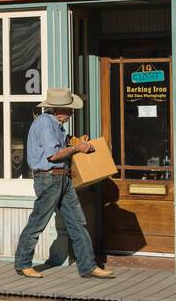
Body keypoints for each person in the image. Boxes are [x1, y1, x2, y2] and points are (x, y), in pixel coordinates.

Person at [15, 87, 114, 279]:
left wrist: (74, 142)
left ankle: (88, 266)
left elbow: (59, 148)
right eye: (69, 110)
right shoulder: (45, 124)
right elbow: (53, 155)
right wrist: (77, 148)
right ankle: (22, 263)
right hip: (49, 178)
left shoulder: (54, 124)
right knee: (38, 222)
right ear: (56, 109)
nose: (70, 114)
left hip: (62, 178)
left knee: (78, 222)